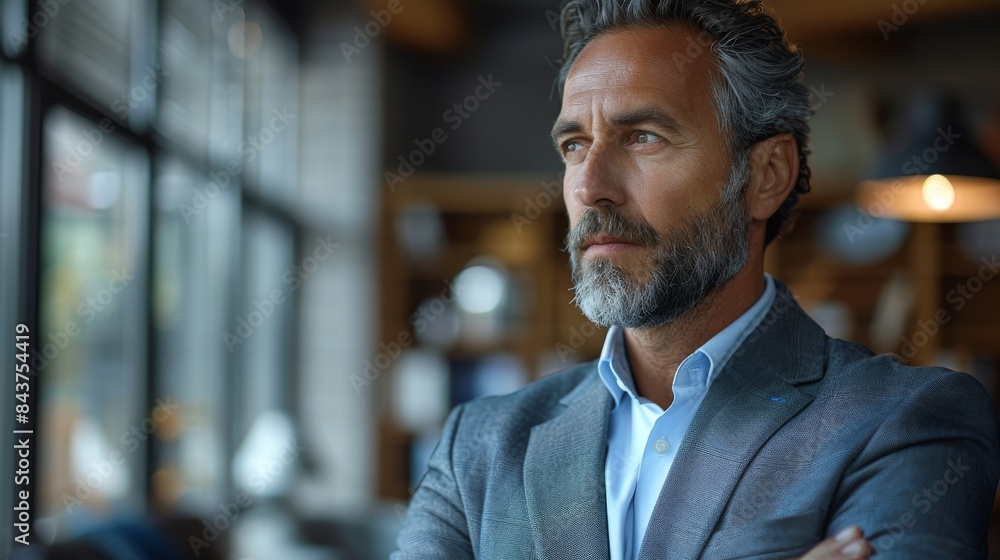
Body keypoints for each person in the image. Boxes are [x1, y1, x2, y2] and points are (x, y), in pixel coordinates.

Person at [392, 0, 1000, 558]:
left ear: (766, 175)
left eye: (643, 137)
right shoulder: (479, 445)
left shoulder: (908, 422)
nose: (588, 185)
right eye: (575, 145)